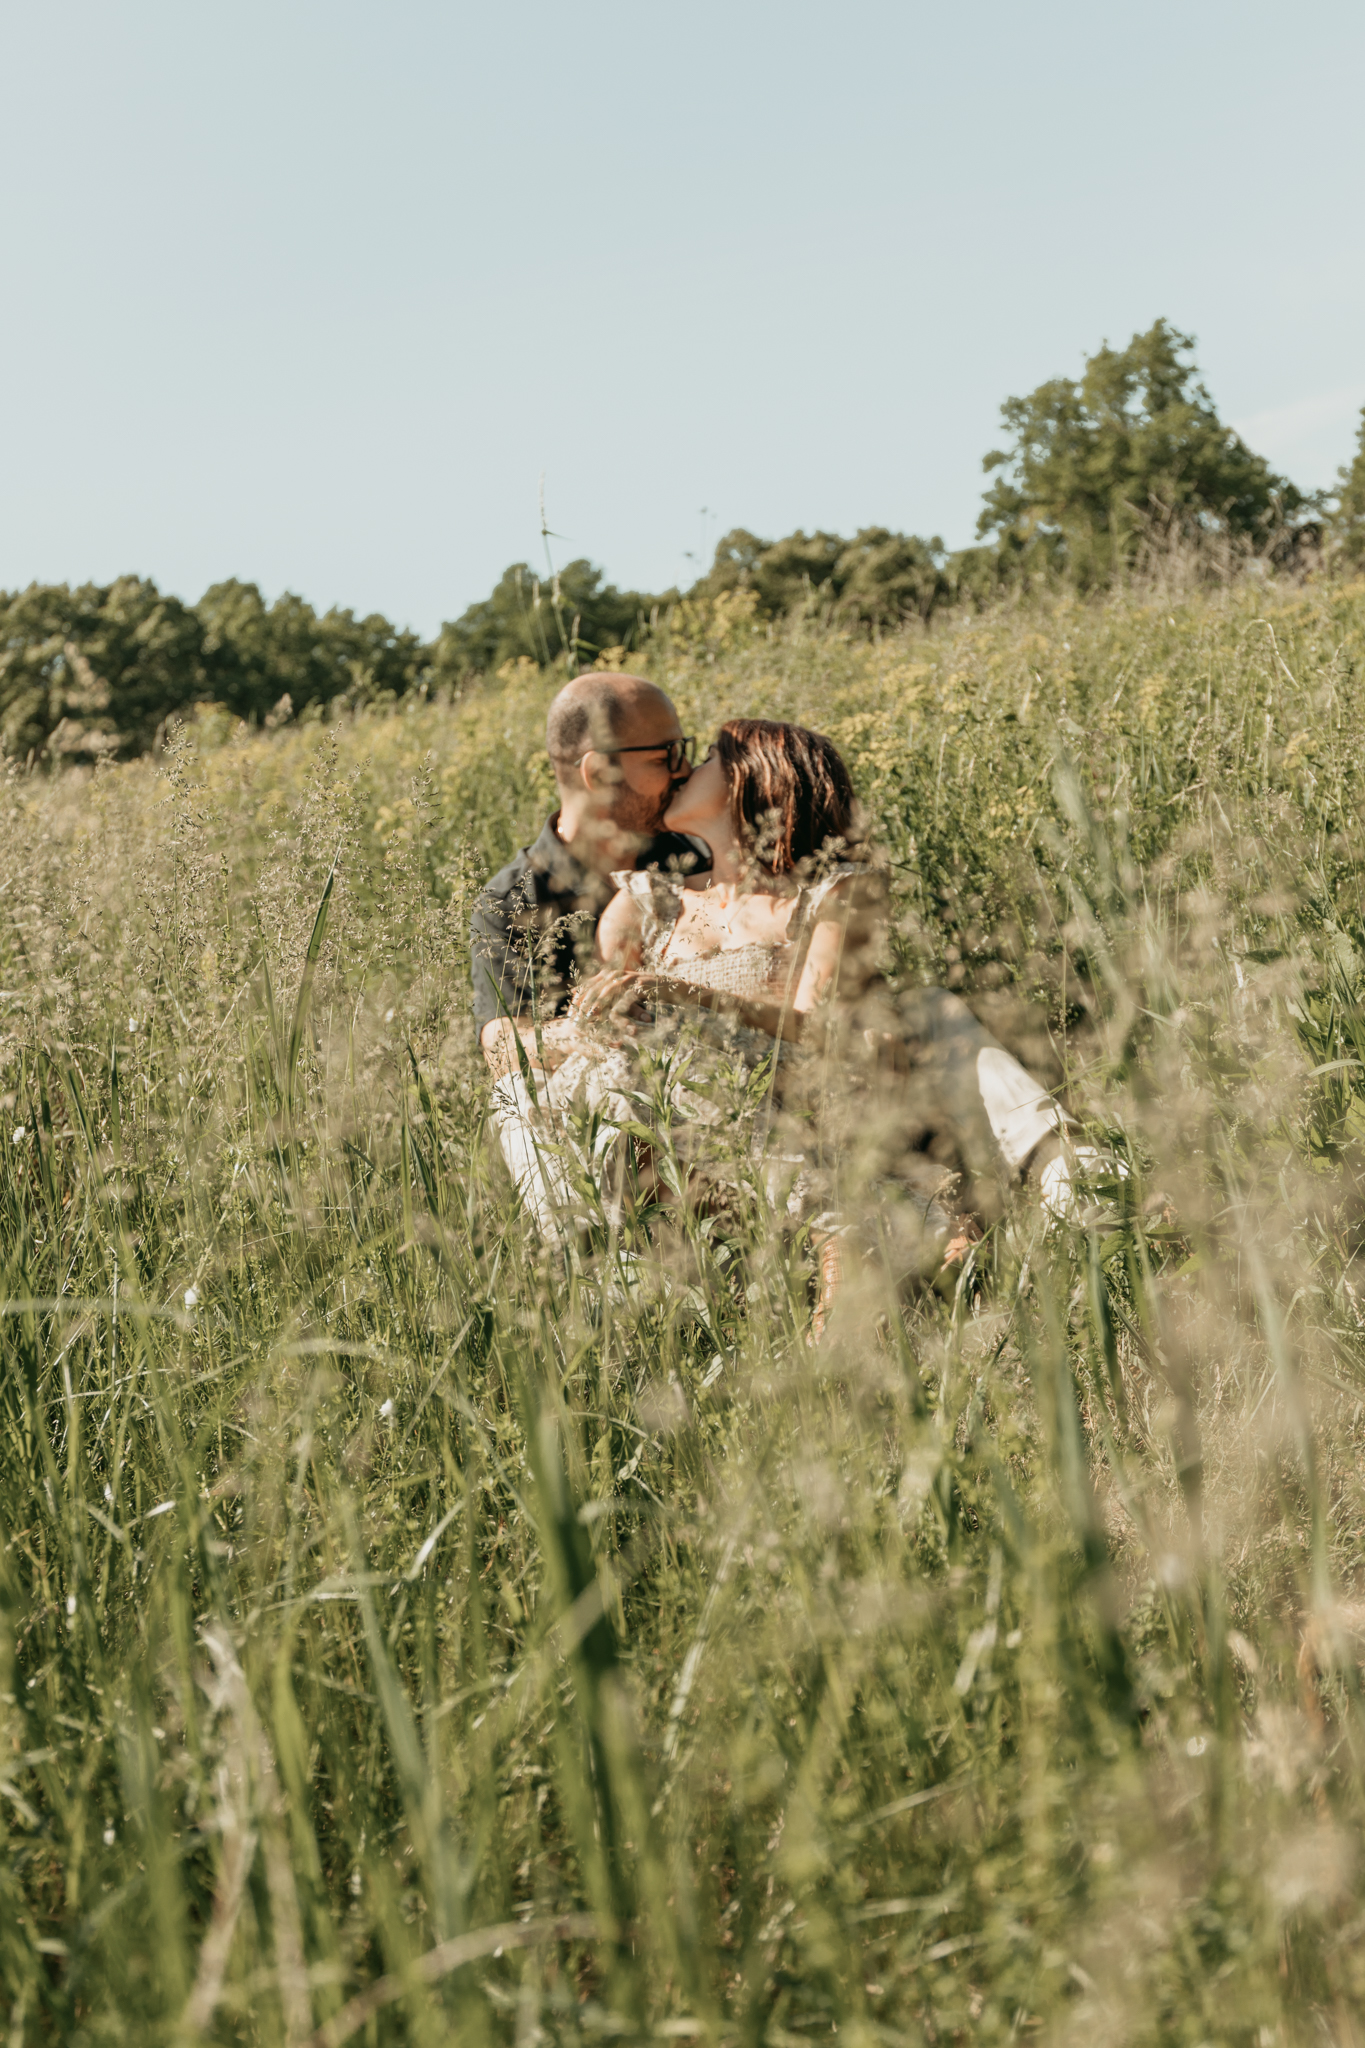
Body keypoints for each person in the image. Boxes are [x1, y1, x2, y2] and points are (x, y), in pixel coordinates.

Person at [470, 670, 708, 1233]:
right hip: (597, 1104)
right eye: (667, 755)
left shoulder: (696, 857)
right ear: (598, 770)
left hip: (708, 1088)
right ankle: (601, 1280)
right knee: (514, 1098)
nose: (685, 771)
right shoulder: (516, 897)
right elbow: (501, 1042)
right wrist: (590, 1031)